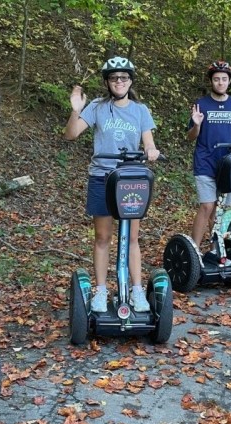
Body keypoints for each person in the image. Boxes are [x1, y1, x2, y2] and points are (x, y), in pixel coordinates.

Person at [64, 56, 160, 313]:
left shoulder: (140, 110)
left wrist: (151, 150)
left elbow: (148, 142)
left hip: (130, 179)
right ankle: (101, 290)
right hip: (102, 177)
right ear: (107, 81)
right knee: (103, 237)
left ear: (130, 81)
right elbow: (71, 135)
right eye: (114, 78)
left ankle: (137, 289)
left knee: (132, 238)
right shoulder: (96, 106)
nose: (119, 82)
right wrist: (75, 110)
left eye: (124, 77)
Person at [187, 60, 231, 257]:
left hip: (229, 166)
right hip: (205, 162)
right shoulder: (201, 104)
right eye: (216, 79)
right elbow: (190, 136)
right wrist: (197, 125)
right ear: (211, 81)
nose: (220, 82)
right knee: (207, 205)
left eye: (224, 79)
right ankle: (193, 251)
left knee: (220, 210)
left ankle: (214, 250)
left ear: (229, 81)